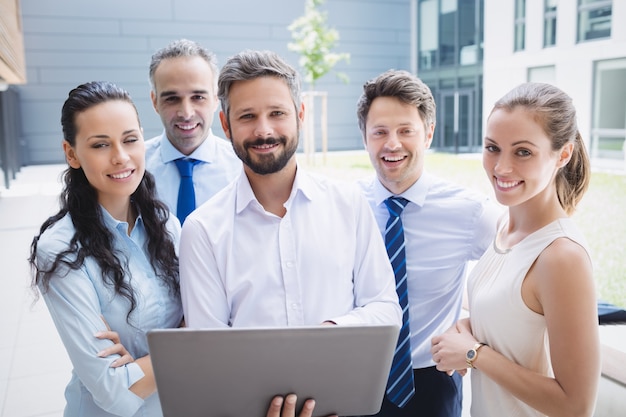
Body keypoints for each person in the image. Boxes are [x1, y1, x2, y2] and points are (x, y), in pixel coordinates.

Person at [179, 49, 401, 331]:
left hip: (341, 376)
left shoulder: (349, 204)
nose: (264, 130)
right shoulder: (202, 230)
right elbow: (209, 347)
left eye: (277, 113)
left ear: (300, 115)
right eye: (247, 116)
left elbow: (385, 309)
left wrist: (333, 330)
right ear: (225, 125)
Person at [431, 82, 600, 417]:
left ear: (562, 155)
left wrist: (474, 354)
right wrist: (469, 327)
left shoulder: (561, 256)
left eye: (523, 152)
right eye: (493, 148)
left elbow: (576, 405)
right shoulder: (504, 228)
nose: (501, 167)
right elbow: (517, 321)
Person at [29, 81, 183, 416]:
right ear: (71, 153)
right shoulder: (61, 249)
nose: (121, 157)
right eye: (100, 145)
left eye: (130, 139)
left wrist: (141, 365)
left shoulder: (168, 226)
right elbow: (113, 390)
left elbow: (207, 321)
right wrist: (185, 345)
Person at [355, 69, 501, 417]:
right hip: (356, 377)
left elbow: (521, 267)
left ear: (428, 134)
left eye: (406, 131)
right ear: (365, 137)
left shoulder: (469, 211)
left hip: (434, 380)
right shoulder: (346, 207)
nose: (392, 144)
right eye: (380, 132)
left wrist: (474, 330)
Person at [145, 38, 241, 223]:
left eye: (198, 97)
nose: (186, 113)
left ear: (215, 98)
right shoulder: (133, 169)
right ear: (154, 101)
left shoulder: (243, 170)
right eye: (172, 99)